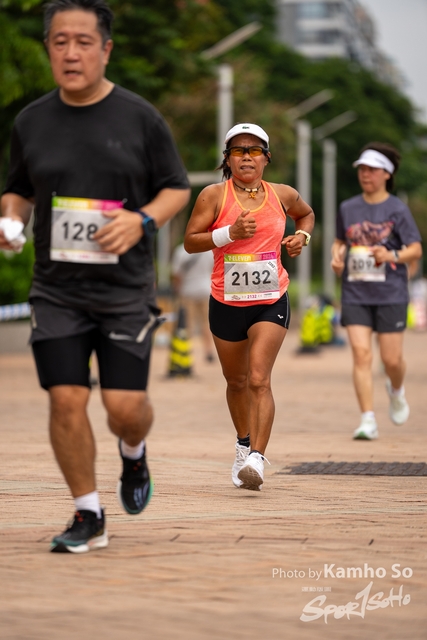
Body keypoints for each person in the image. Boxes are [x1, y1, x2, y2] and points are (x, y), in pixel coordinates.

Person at [0, 0, 190, 553]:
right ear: (48, 49)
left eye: (83, 42)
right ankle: (88, 513)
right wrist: (11, 220)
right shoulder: (31, 121)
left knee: (124, 409)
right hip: (56, 290)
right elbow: (19, 189)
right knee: (65, 398)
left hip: (124, 290)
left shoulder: (140, 118)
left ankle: (134, 452)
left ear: (105, 50)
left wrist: (142, 220)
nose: (71, 52)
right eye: (59, 41)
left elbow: (176, 188)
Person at [184, 123, 314, 491]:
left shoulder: (283, 194)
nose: (246, 157)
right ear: (227, 159)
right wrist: (229, 233)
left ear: (266, 158)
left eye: (254, 150)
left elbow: (306, 214)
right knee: (236, 381)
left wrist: (302, 235)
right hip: (226, 300)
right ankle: (243, 443)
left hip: (270, 298)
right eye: (238, 151)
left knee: (259, 378)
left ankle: (257, 457)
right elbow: (190, 242)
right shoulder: (213, 196)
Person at [331, 143, 422, 440]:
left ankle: (396, 390)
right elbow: (340, 240)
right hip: (355, 292)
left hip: (391, 293)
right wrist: (336, 256)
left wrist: (391, 255)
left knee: (391, 360)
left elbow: (415, 249)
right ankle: (367, 419)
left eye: (372, 169)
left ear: (387, 174)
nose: (365, 174)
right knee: (361, 354)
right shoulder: (348, 208)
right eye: (362, 169)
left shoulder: (397, 209)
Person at [171, 242, 215, 362]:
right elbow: (213, 269)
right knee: (206, 323)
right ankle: (209, 352)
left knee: (187, 324)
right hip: (206, 290)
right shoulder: (209, 250)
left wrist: (177, 290)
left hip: (187, 292)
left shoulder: (181, 251)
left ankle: (186, 352)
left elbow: (176, 274)